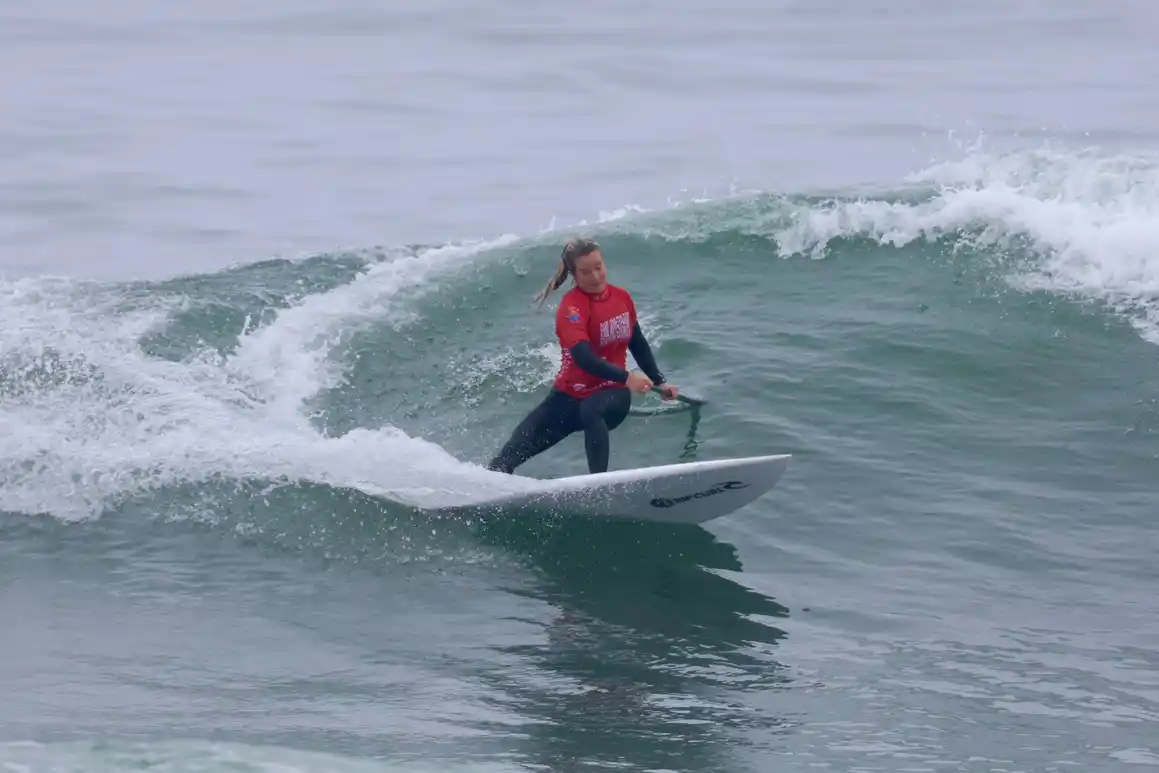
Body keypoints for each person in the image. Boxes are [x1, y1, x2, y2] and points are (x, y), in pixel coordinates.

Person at [486, 237, 679, 475]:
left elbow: (637, 343)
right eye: (586, 272)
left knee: (592, 409)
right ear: (574, 276)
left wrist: (659, 381)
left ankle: (598, 484)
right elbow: (584, 358)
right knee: (513, 449)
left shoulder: (622, 298)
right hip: (569, 397)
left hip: (611, 395)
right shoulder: (572, 308)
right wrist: (629, 377)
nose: (596, 276)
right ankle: (489, 487)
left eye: (598, 267)